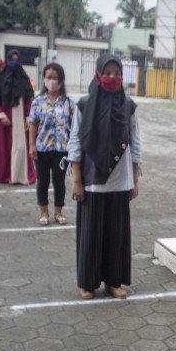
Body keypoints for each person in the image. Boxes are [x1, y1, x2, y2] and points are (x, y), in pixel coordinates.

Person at [67, 54, 141, 300]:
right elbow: (75, 142)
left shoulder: (128, 105)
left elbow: (135, 143)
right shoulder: (84, 104)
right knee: (91, 234)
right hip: (92, 179)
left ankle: (113, 281)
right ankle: (87, 283)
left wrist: (135, 179)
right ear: (98, 74)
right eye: (107, 72)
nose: (112, 77)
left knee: (116, 234)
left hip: (120, 179)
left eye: (117, 73)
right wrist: (77, 180)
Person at [27, 63, 75, 226]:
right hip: (42, 149)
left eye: (55, 78)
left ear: (61, 80)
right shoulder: (38, 101)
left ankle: (58, 212)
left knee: (59, 182)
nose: (52, 81)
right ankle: (44, 212)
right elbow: (33, 124)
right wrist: (32, 145)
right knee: (43, 181)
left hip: (62, 150)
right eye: (49, 77)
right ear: (44, 79)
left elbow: (74, 126)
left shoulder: (68, 103)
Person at [0, 49, 35, 185]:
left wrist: (28, 116)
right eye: (11, 59)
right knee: (4, 148)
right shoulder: (0, 77)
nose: (14, 63)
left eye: (16, 60)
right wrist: (0, 113)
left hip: (20, 116)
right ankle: (6, 175)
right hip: (5, 118)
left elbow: (28, 98)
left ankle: (20, 175)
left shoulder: (24, 79)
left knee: (21, 146)